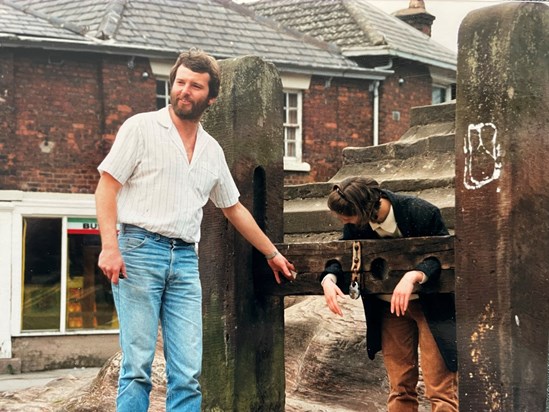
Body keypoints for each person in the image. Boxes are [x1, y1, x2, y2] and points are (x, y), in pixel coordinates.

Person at [94, 48, 295, 412]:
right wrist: (110, 246)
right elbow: (106, 187)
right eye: (180, 82)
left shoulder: (212, 150)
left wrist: (272, 253)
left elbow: (234, 208)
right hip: (139, 250)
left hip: (186, 260)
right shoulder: (141, 128)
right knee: (137, 367)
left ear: (211, 97)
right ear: (172, 85)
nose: (185, 90)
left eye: (195, 86)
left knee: (187, 373)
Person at [321, 176, 458, 411]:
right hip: (389, 309)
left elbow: (442, 256)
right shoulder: (356, 224)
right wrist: (329, 278)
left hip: (431, 307)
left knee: (440, 389)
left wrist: (415, 275)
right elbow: (344, 254)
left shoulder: (420, 212)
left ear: (365, 210)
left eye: (347, 217)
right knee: (400, 387)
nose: (343, 221)